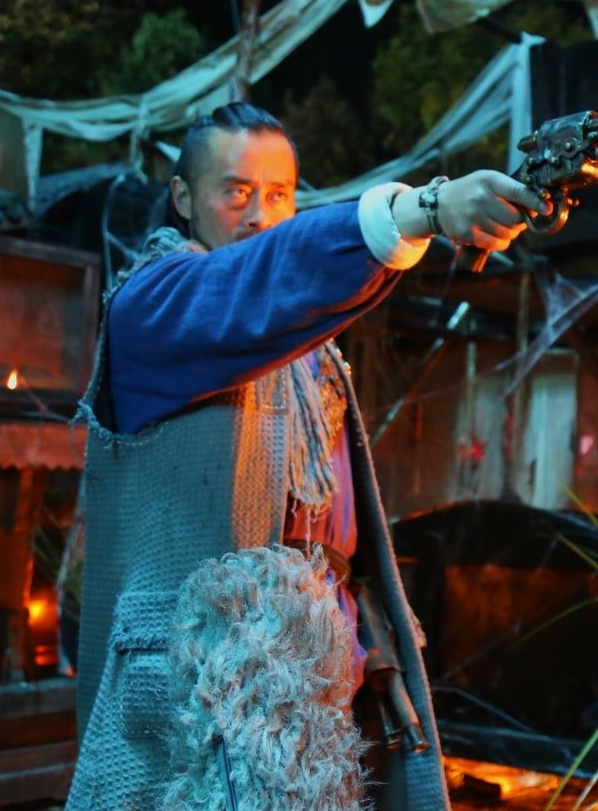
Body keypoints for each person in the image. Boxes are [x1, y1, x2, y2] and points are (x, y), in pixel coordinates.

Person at [66, 102, 545, 809]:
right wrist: (426, 210)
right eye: (236, 192)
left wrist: (366, 652)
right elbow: (252, 288)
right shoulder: (156, 306)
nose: (260, 215)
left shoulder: (309, 351)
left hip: (325, 673)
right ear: (183, 198)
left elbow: (339, 537)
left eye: (279, 193)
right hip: (203, 690)